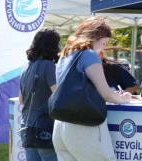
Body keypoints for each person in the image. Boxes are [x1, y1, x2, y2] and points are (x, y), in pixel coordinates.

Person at [53, 17, 131, 161]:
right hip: (83, 125)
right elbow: (106, 94)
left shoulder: (65, 55)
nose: (102, 48)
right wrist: (123, 98)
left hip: (61, 125)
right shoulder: (89, 54)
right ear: (95, 36)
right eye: (103, 43)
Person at [19, 28, 61, 161]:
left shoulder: (26, 66)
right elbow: (58, 94)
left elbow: (21, 99)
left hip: (26, 125)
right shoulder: (48, 65)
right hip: (44, 126)